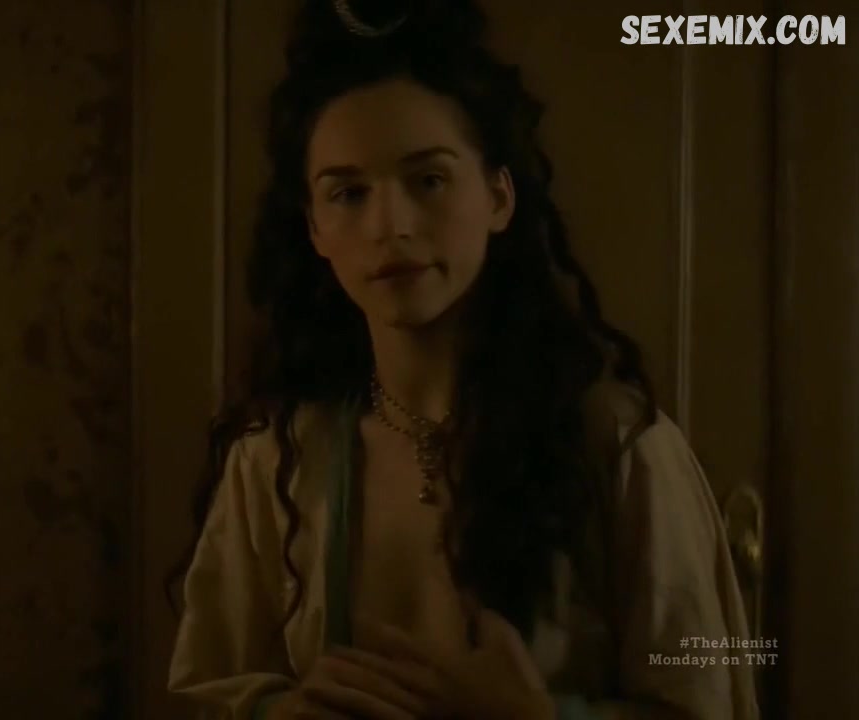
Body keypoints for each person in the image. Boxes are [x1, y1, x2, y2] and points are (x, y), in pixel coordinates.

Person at [165, 1, 760, 718]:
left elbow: (707, 699)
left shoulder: (623, 449)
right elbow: (202, 691)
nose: (390, 226)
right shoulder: (278, 460)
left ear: (499, 196)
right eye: (349, 194)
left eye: (429, 180)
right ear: (314, 227)